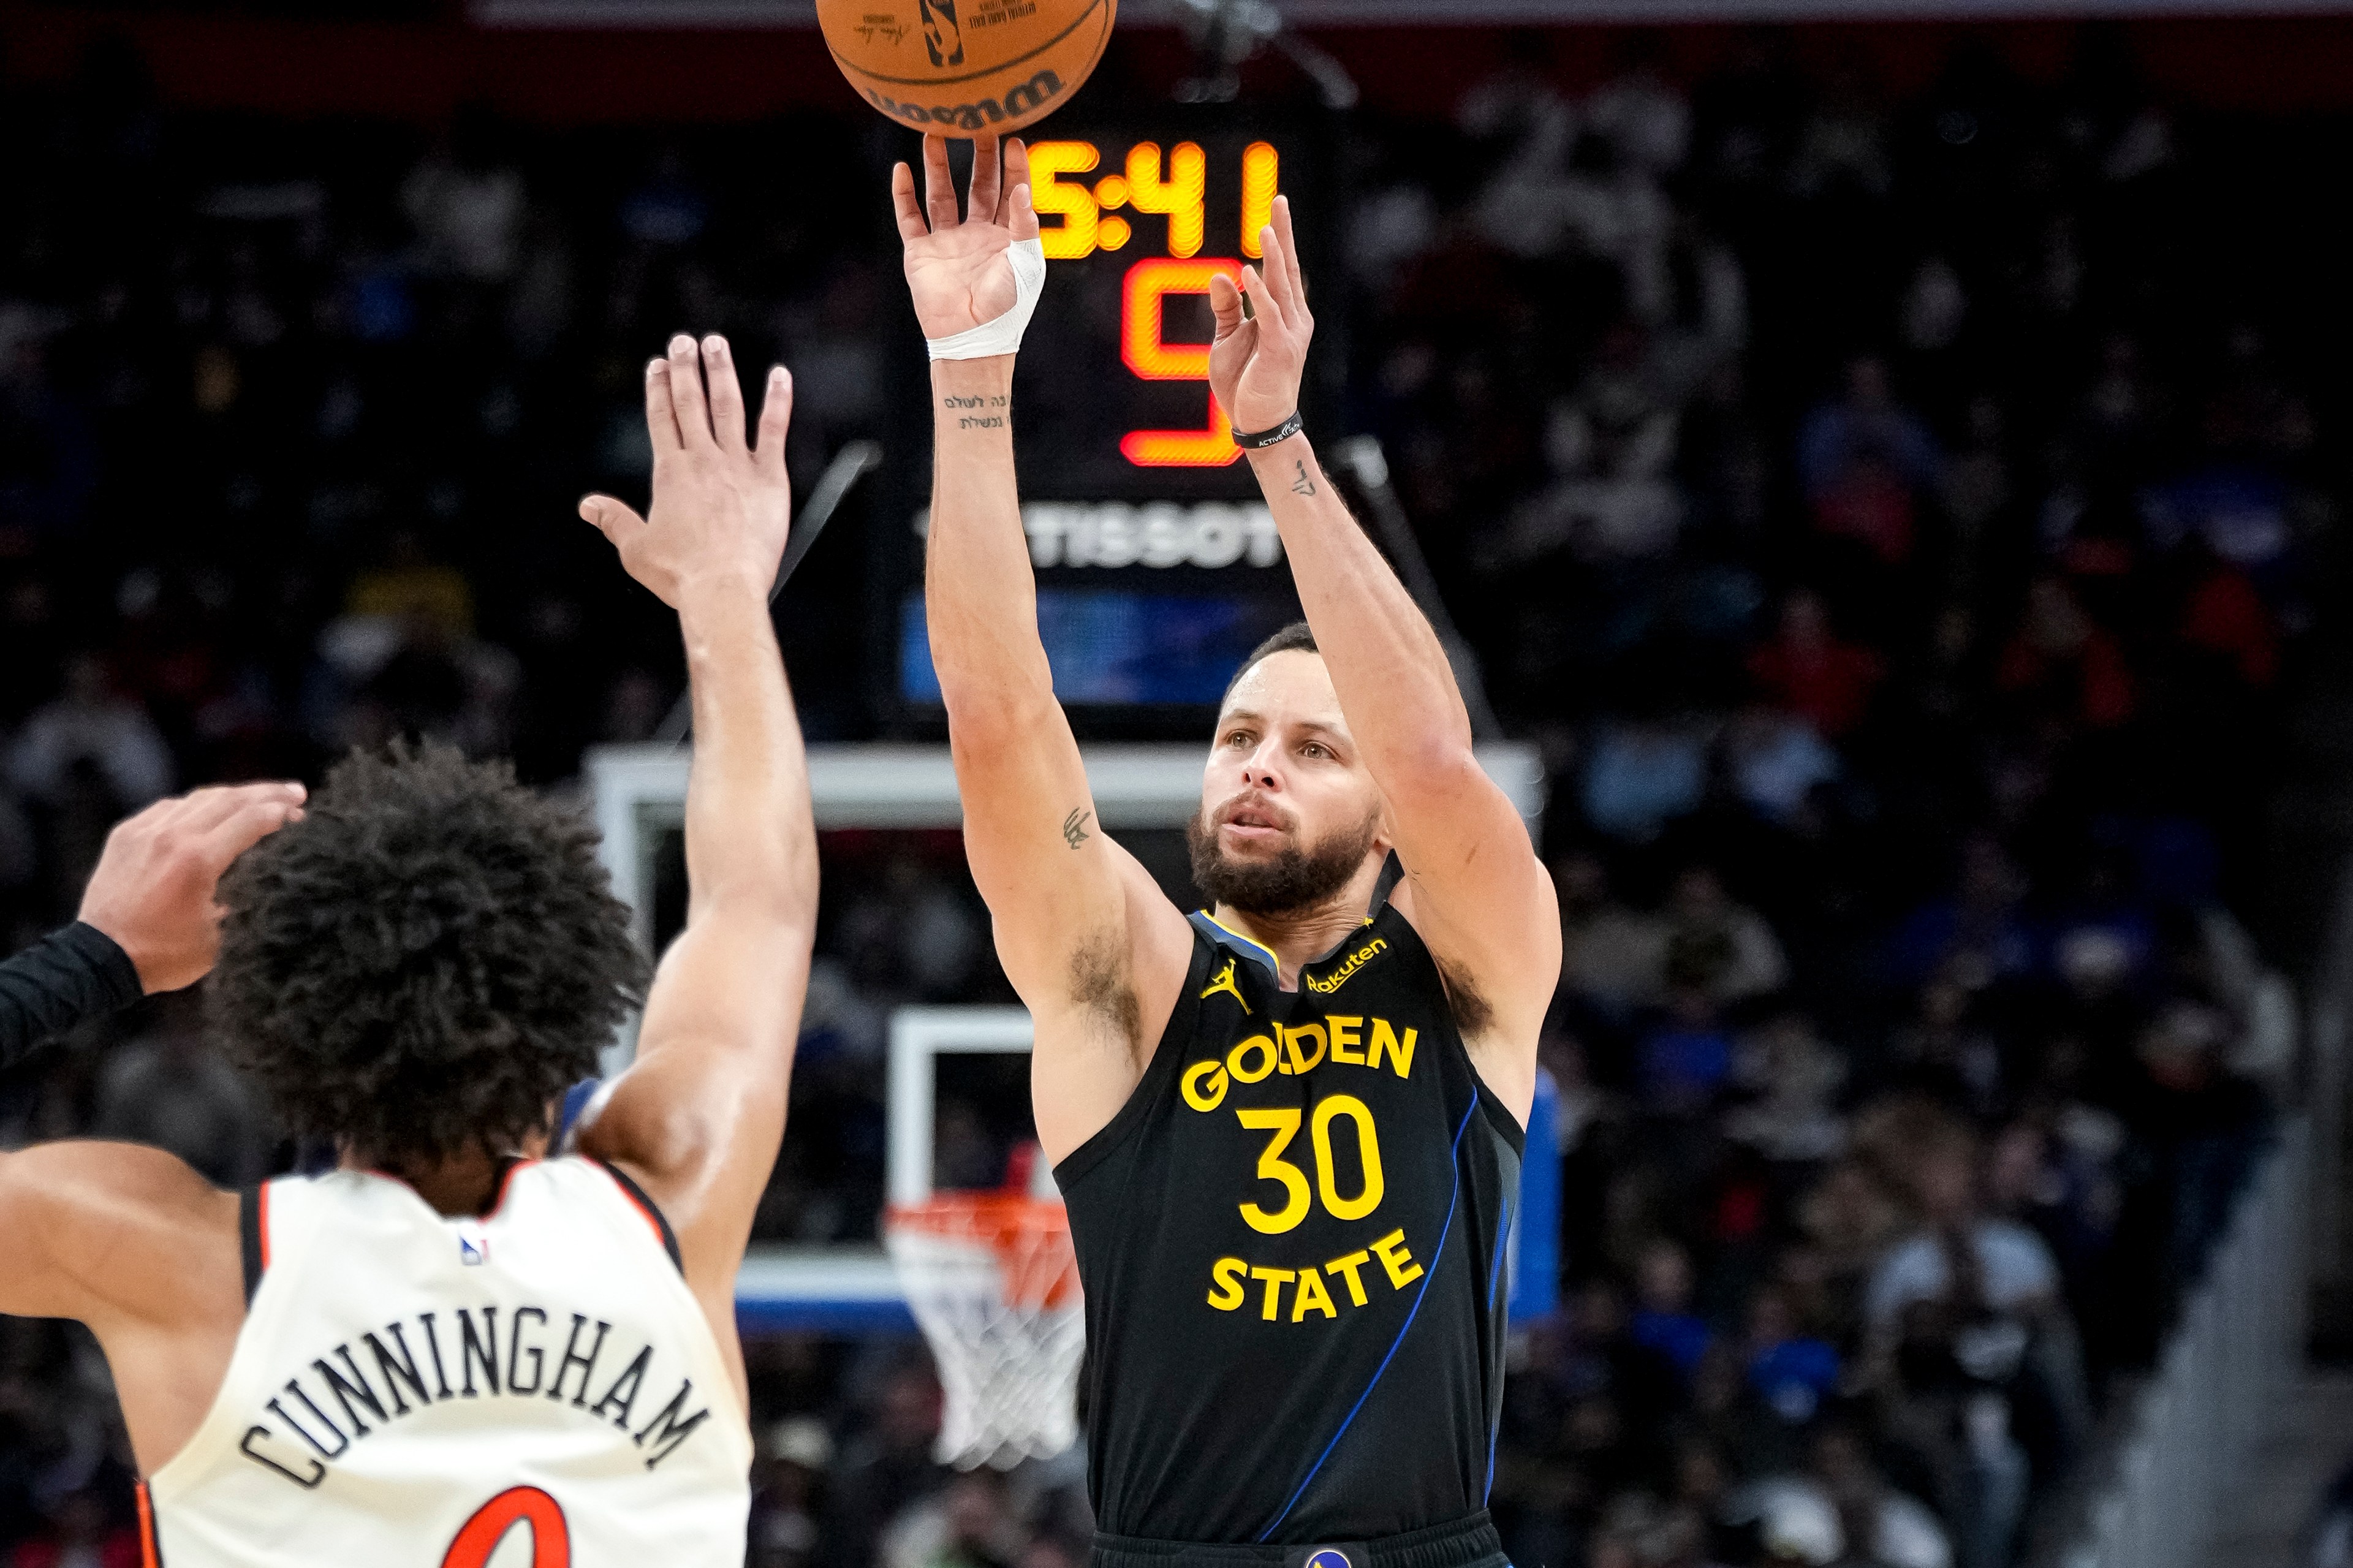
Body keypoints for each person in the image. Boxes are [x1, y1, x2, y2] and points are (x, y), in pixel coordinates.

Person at [0, 330, 819, 1565]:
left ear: (277, 1037)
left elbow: (760, 903)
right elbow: (757, 897)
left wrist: (96, 956)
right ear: (566, 1018)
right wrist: (721, 597)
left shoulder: (181, 1257)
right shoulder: (669, 1193)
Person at [894, 135, 1560, 1561]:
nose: (1258, 760)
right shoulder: (1130, 986)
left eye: (1315, 749)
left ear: (1386, 826)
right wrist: (969, 373)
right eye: (1237, 735)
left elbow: (1434, 753)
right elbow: (1003, 715)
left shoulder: (1473, 972)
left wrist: (1276, 440)